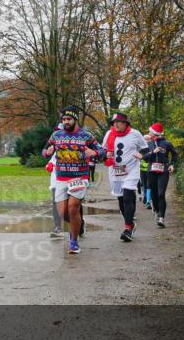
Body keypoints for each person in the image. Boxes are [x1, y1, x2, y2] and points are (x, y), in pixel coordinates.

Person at [43, 106, 104, 254]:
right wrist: (47, 152)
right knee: (64, 213)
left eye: (69, 119)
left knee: (73, 207)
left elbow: (102, 152)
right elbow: (44, 150)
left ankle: (74, 242)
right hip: (61, 178)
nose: (66, 122)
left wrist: (94, 152)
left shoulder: (86, 136)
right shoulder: (56, 135)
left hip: (79, 177)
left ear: (75, 119)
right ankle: (79, 223)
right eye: (63, 119)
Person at [101, 113, 150, 243]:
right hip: (115, 170)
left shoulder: (135, 134)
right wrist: (106, 154)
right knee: (121, 199)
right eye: (114, 122)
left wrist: (141, 155)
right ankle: (130, 223)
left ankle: (128, 228)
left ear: (125, 123)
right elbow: (102, 151)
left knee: (128, 194)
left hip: (131, 169)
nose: (116, 124)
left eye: (119, 122)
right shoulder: (109, 134)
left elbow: (146, 149)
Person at [145, 122, 178, 228]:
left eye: (150, 132)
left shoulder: (167, 143)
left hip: (163, 171)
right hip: (151, 172)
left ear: (155, 133)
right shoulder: (148, 144)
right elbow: (145, 158)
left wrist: (172, 164)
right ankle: (156, 209)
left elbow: (174, 154)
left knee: (161, 194)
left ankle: (161, 218)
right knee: (154, 195)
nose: (148, 133)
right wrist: (152, 152)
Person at [46, 152, 62, 237]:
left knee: (72, 205)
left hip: (70, 181)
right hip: (56, 183)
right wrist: (49, 166)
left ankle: (79, 224)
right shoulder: (57, 151)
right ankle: (57, 227)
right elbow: (51, 162)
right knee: (55, 203)